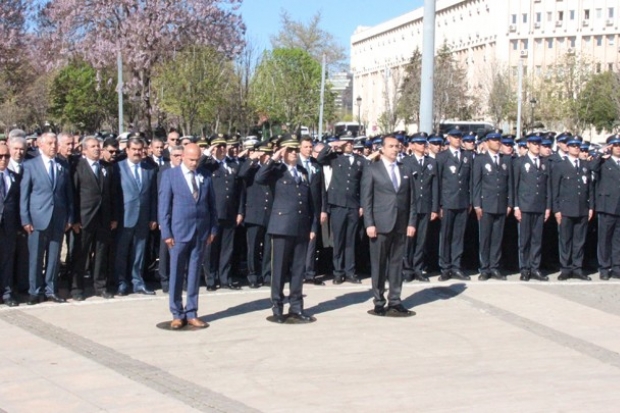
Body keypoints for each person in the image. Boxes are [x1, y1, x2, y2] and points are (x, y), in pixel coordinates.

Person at [255, 136, 317, 323]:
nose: (292, 154)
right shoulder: (276, 170)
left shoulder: (302, 171)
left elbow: (310, 201)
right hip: (281, 226)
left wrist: (312, 226)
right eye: (288, 150)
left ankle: (296, 307)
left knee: (298, 270)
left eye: (294, 150)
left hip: (301, 226)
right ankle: (277, 307)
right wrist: (274, 158)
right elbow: (259, 178)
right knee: (279, 270)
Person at [158, 144, 217, 329]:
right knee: (176, 272)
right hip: (178, 233)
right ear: (182, 156)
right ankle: (176, 312)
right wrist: (166, 232)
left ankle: (191, 312)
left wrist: (212, 230)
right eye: (191, 159)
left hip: (200, 233)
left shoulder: (205, 175)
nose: (194, 163)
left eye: (197, 159)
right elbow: (164, 207)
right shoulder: (170, 175)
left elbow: (212, 205)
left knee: (194, 272)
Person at [361, 136, 416, 316]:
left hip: (400, 224)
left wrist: (411, 222)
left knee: (396, 265)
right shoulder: (372, 169)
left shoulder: (405, 169)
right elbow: (366, 199)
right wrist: (369, 223)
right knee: (379, 264)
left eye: (397, 146)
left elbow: (412, 200)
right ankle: (378, 301)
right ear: (382, 149)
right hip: (380, 224)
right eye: (391, 146)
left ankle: (395, 300)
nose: (395, 149)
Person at [20, 133, 74, 304]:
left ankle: (51, 289)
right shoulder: (30, 166)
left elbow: (68, 195)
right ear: (40, 145)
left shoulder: (62, 165)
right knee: (35, 257)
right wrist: (25, 219)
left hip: (58, 218)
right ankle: (35, 291)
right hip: (37, 218)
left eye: (55, 143)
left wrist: (70, 217)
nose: (53, 146)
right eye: (49, 143)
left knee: (54, 256)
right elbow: (25, 195)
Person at [71, 136, 117, 300]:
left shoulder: (107, 167)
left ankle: (100, 286)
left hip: (103, 218)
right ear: (84, 150)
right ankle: (77, 288)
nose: (97, 148)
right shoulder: (78, 167)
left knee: (101, 253)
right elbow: (74, 195)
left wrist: (113, 217)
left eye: (98, 146)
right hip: (84, 218)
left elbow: (112, 193)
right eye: (93, 146)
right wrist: (75, 219)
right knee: (81, 254)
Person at [316, 135, 366, 284]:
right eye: (347, 142)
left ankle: (350, 271)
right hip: (337, 204)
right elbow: (320, 158)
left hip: (353, 205)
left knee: (350, 240)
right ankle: (338, 272)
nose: (349, 145)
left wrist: (362, 204)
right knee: (338, 240)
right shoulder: (334, 157)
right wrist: (333, 144)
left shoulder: (360, 160)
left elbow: (363, 185)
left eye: (351, 142)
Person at [113, 137, 158, 295]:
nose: (137, 153)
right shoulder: (118, 168)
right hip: (124, 217)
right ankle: (121, 282)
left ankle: (137, 282)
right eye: (134, 149)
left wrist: (153, 217)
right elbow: (115, 195)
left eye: (140, 150)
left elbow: (153, 195)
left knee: (139, 252)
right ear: (127, 150)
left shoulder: (149, 169)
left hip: (143, 217)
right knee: (122, 252)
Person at [201, 134, 245, 291]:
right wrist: (208, 153)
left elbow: (240, 190)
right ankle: (211, 279)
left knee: (228, 248)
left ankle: (225, 278)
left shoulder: (233, 165)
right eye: (217, 146)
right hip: (212, 213)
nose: (221, 149)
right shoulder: (208, 165)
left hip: (230, 212)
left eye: (223, 145)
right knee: (211, 248)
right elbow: (197, 167)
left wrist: (240, 211)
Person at [472, 132, 513, 281]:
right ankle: (484, 268)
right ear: (487, 142)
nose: (497, 143)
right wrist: (477, 204)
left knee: (497, 237)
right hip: (486, 204)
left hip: (501, 204)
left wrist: (510, 203)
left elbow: (509, 184)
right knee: (485, 238)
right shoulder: (480, 160)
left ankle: (495, 267)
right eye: (494, 140)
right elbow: (476, 184)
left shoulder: (505, 160)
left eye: (498, 140)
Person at [551, 138, 594, 281]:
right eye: (573, 146)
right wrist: (556, 210)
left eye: (578, 146)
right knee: (565, 240)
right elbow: (555, 189)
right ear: (567, 148)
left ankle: (577, 268)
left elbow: (590, 189)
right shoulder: (560, 166)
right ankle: (565, 268)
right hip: (566, 209)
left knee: (579, 241)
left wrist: (591, 207)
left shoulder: (584, 165)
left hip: (582, 208)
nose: (576, 148)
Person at [435, 129, 473, 281]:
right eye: (455, 137)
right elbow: (437, 182)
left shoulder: (467, 156)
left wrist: (470, 201)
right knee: (445, 236)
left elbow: (470, 181)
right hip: (447, 202)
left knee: (458, 236)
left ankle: (456, 266)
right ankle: (445, 267)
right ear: (449, 138)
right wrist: (438, 205)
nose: (458, 139)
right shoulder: (442, 157)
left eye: (460, 137)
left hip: (462, 202)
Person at [513, 133, 551, 281]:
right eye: (534, 143)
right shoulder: (520, 162)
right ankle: (524, 268)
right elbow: (515, 185)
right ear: (528, 144)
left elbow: (548, 186)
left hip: (540, 206)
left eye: (538, 143)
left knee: (537, 239)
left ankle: (535, 267)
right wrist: (516, 206)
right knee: (525, 240)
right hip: (525, 206)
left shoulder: (544, 162)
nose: (536, 146)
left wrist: (548, 207)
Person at [401, 133, 438, 282]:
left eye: (424, 143)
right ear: (413, 145)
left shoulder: (431, 162)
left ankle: (418, 268)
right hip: (410, 207)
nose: (423, 146)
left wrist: (434, 208)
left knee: (421, 240)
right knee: (408, 239)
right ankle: (406, 268)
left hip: (425, 206)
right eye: (420, 143)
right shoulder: (406, 162)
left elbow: (435, 187)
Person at [238, 141, 273, 288]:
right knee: (253, 247)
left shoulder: (272, 168)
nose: (266, 156)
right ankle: (253, 275)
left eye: (268, 154)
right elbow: (241, 174)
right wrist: (253, 158)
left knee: (268, 248)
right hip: (254, 213)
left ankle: (266, 275)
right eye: (264, 154)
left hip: (269, 213)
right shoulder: (251, 168)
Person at [590, 135, 620, 280]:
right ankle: (604, 267)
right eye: (615, 145)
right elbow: (592, 168)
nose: (618, 148)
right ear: (610, 147)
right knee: (604, 239)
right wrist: (601, 153)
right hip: (606, 206)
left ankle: (616, 266)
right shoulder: (603, 162)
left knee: (617, 239)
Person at [298, 136, 327, 285]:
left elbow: (322, 189)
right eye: (306, 147)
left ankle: (309, 273)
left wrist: (323, 209)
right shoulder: (294, 164)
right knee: (298, 241)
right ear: (299, 148)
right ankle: (297, 272)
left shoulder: (316, 164)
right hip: (298, 208)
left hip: (314, 208)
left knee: (312, 240)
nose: (309, 149)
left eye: (311, 147)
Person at [0, 144, 20, 306]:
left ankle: (7, 293)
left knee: (7, 260)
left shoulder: (14, 176)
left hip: (9, 226)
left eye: (6, 156)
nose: (3, 160)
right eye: (0, 157)